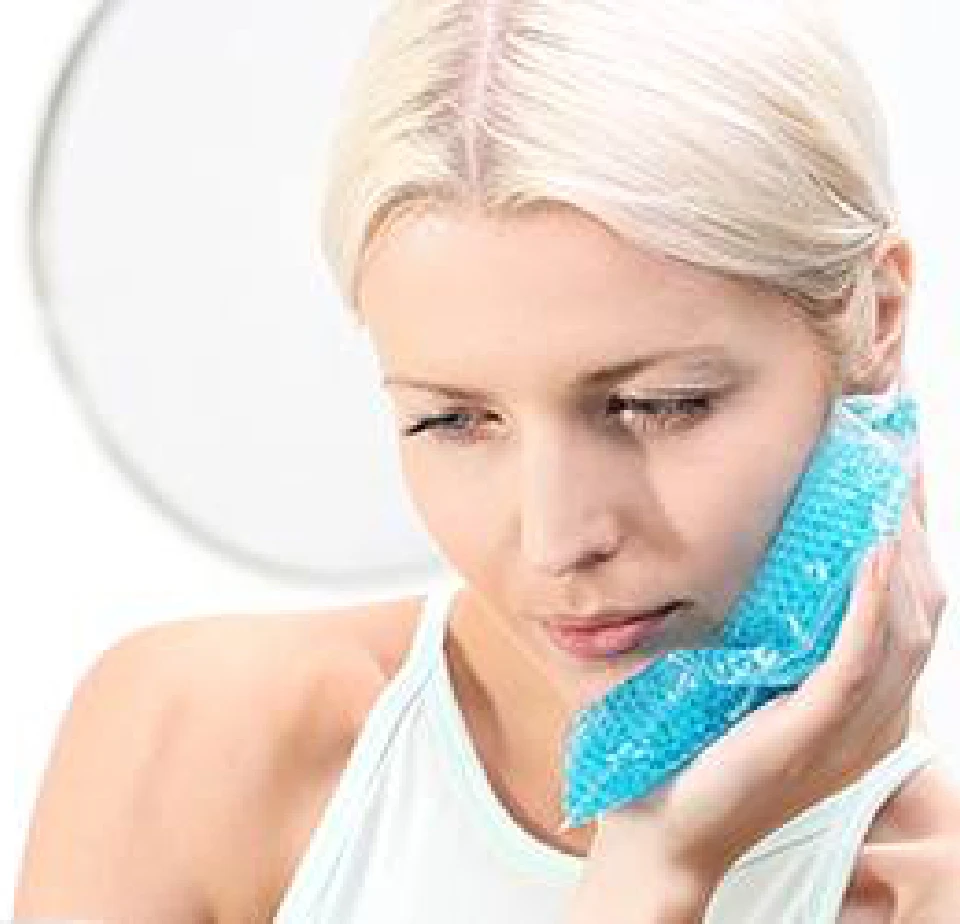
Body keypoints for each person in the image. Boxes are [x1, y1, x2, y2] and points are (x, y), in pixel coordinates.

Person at [13, 0, 960, 921]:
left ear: (877, 317)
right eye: (454, 421)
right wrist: (650, 871)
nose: (557, 540)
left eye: (657, 406)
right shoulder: (196, 746)